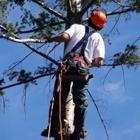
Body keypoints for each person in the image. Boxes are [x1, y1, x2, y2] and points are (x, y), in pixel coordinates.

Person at [41, 8, 107, 140]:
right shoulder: (98, 37)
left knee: (59, 97)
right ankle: (79, 129)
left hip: (68, 65)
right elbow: (98, 62)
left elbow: (65, 37)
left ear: (90, 17)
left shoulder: (76, 27)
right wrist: (89, 60)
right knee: (80, 101)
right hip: (82, 68)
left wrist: (51, 39)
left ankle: (53, 127)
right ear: (101, 25)